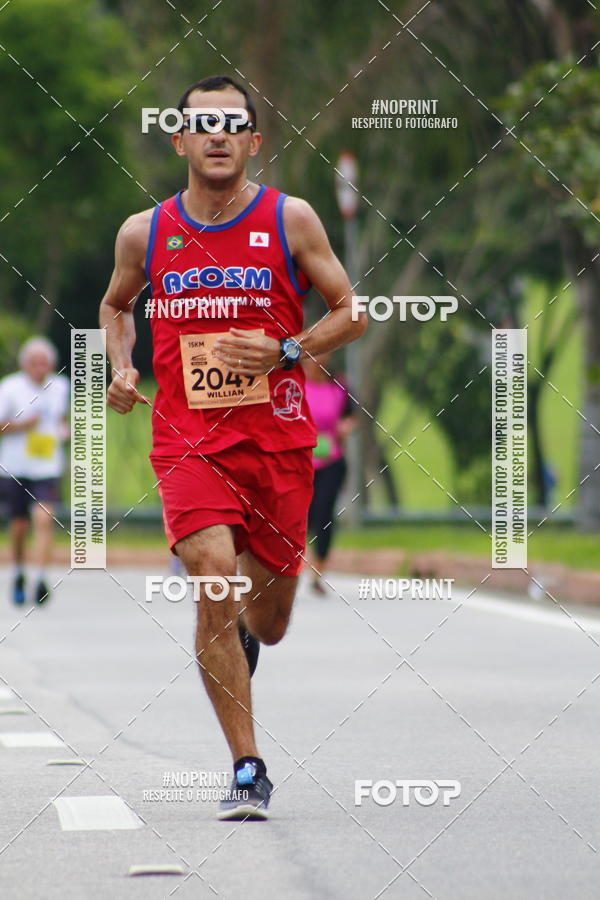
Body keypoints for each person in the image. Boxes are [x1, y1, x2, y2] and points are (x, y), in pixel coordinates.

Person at [99, 75, 366, 820]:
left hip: (278, 444)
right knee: (213, 576)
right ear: (179, 139)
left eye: (233, 124)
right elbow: (116, 305)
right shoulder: (143, 232)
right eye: (201, 124)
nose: (217, 136)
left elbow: (351, 312)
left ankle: (246, 640)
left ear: (255, 141)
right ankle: (247, 765)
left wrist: (286, 348)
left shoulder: (292, 219)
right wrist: (121, 367)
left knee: (270, 623)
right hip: (188, 442)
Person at [0, 337, 69, 605]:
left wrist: (65, 432)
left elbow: (60, 420)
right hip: (14, 467)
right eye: (35, 363)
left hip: (47, 466)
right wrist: (22, 425)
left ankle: (40, 578)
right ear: (25, 364)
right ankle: (19, 572)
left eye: (45, 363)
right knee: (18, 526)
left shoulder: (61, 387)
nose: (40, 368)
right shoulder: (9, 387)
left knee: (44, 519)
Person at [304, 352, 356, 594]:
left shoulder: (339, 387)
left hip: (331, 461)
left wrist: (345, 426)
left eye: (324, 354)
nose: (319, 360)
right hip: (300, 461)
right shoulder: (295, 383)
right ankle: (289, 567)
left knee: (324, 513)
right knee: (306, 515)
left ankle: (317, 572)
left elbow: (352, 416)